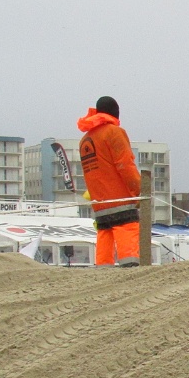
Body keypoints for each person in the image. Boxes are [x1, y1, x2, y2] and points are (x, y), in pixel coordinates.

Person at [77, 96, 142, 267]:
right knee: (126, 230)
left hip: (99, 202)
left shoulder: (85, 140)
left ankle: (103, 274)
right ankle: (131, 271)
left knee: (105, 234)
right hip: (121, 199)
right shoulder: (114, 132)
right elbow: (125, 164)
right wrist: (138, 190)